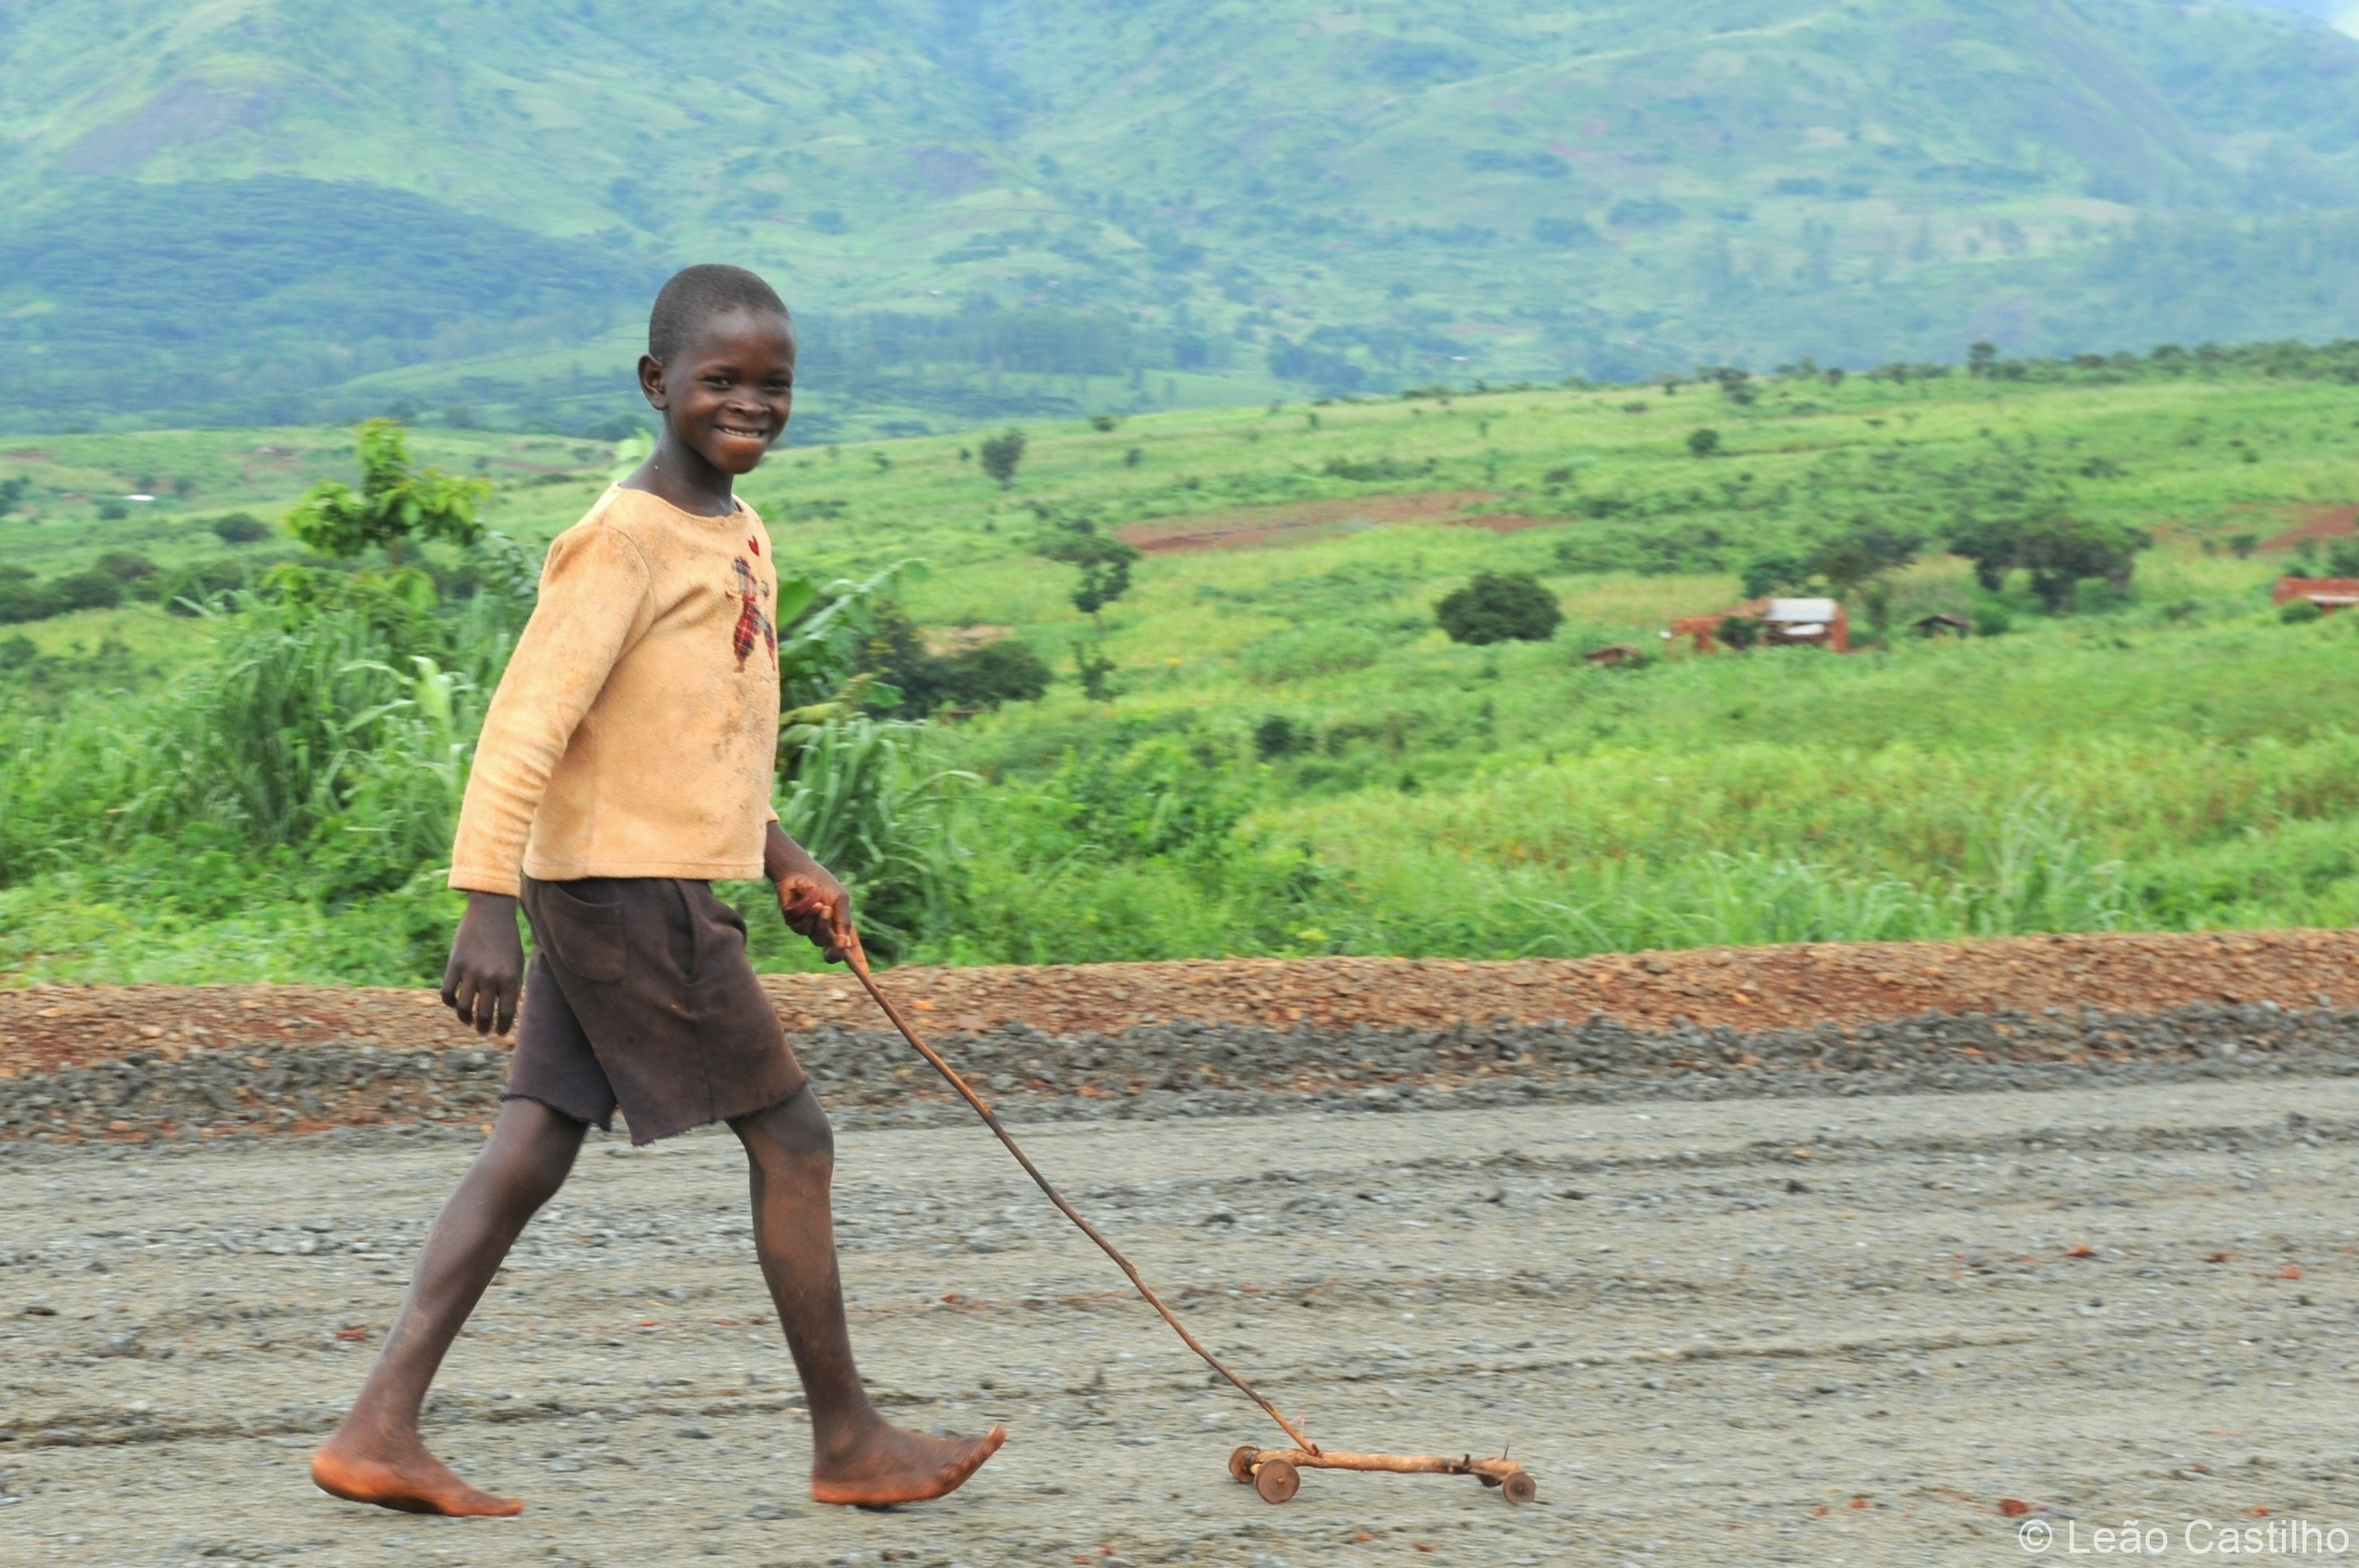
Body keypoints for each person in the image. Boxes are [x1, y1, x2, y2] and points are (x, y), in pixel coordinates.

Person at [309, 264, 1004, 1517]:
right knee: (794, 1139)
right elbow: (525, 726)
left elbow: (697, 732)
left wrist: (780, 854)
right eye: (721, 379)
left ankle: (377, 1426)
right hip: (625, 896)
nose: (750, 402)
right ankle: (849, 1440)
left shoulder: (733, 529)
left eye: (773, 383)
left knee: (532, 1141)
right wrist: (483, 904)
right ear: (656, 385)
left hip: (631, 883)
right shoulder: (622, 538)